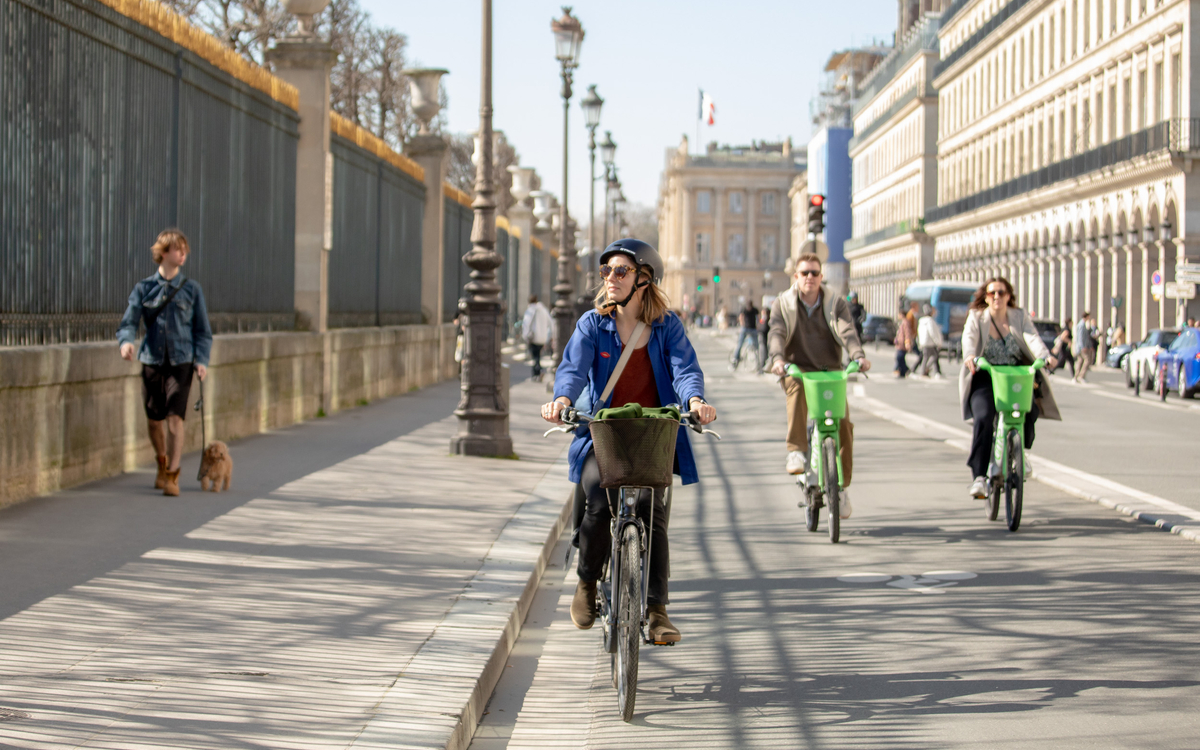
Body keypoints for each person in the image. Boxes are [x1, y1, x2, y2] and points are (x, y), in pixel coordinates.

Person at [542, 239, 716, 644]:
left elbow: (684, 368)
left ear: (644, 279)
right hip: (604, 431)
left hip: (651, 433)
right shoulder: (593, 324)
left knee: (653, 512)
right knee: (597, 498)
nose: (611, 279)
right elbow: (573, 367)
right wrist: (562, 399)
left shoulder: (667, 326)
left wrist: (695, 401)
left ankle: (657, 611)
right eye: (606, 272)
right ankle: (586, 582)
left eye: (620, 271)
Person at [767, 253, 871, 519]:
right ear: (796, 277)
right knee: (797, 389)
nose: (810, 278)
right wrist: (778, 359)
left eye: (815, 273)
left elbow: (848, 331)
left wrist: (858, 356)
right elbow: (776, 332)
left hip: (830, 372)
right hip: (796, 369)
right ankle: (796, 452)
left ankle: (842, 487)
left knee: (844, 425)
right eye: (805, 273)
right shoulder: (783, 303)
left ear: (821, 277)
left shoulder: (835, 302)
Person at [117, 229, 213, 497]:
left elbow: (203, 331)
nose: (183, 254)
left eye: (185, 249)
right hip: (151, 360)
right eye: (177, 249)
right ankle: (161, 461)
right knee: (153, 421)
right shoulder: (144, 288)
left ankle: (173, 474)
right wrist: (126, 342)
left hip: (182, 362)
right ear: (163, 252)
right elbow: (128, 323)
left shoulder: (192, 290)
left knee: (174, 419)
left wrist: (202, 361)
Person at [961, 277, 1061, 499]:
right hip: (987, 375)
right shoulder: (977, 317)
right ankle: (979, 477)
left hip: (1016, 374)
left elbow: (1032, 338)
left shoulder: (1019, 316)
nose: (996, 297)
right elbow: (969, 338)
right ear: (985, 297)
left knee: (1029, 410)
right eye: (991, 293)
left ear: (1009, 296)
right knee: (984, 417)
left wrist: (1045, 357)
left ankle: (1019, 452)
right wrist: (970, 356)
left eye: (1001, 292)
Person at [522, 294, 552, 381]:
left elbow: (526, 324)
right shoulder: (544, 310)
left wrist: (525, 336)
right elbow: (551, 322)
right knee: (538, 356)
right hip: (542, 338)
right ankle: (538, 372)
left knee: (535, 357)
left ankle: (537, 373)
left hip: (533, 338)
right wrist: (549, 335)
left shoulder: (530, 310)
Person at [730, 299, 760, 370]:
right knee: (740, 344)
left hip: (753, 328)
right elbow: (741, 317)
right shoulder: (744, 309)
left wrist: (758, 325)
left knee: (756, 345)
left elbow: (758, 317)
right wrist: (742, 325)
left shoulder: (755, 310)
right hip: (745, 329)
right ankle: (735, 358)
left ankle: (757, 360)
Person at [917, 303, 944, 377]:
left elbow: (919, 332)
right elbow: (933, 332)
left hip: (924, 342)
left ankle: (927, 370)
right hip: (930, 342)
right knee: (933, 356)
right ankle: (925, 370)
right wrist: (938, 342)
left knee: (927, 357)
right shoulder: (930, 321)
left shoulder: (921, 321)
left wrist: (919, 342)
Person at [1074, 312, 1098, 382]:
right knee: (1087, 360)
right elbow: (1081, 337)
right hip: (1082, 347)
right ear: (1086, 316)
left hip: (1082, 346)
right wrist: (1083, 347)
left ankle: (1076, 377)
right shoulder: (1081, 325)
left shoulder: (1082, 324)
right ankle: (1081, 376)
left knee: (1080, 361)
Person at [893, 310, 913, 378]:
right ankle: (903, 371)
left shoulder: (905, 322)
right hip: (900, 343)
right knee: (900, 358)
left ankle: (905, 370)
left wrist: (907, 342)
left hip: (903, 344)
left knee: (899, 357)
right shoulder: (901, 322)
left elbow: (907, 333)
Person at [905, 301, 924, 370]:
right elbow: (908, 328)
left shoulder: (913, 315)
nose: (918, 308)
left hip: (912, 337)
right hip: (911, 338)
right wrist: (908, 340)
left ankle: (901, 369)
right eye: (917, 307)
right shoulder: (910, 315)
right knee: (920, 355)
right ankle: (912, 369)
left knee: (902, 354)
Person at [756, 305, 771, 374]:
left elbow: (764, 329)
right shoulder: (763, 320)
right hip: (762, 340)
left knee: (764, 355)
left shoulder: (767, 320)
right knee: (761, 354)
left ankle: (762, 369)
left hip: (765, 340)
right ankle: (761, 368)